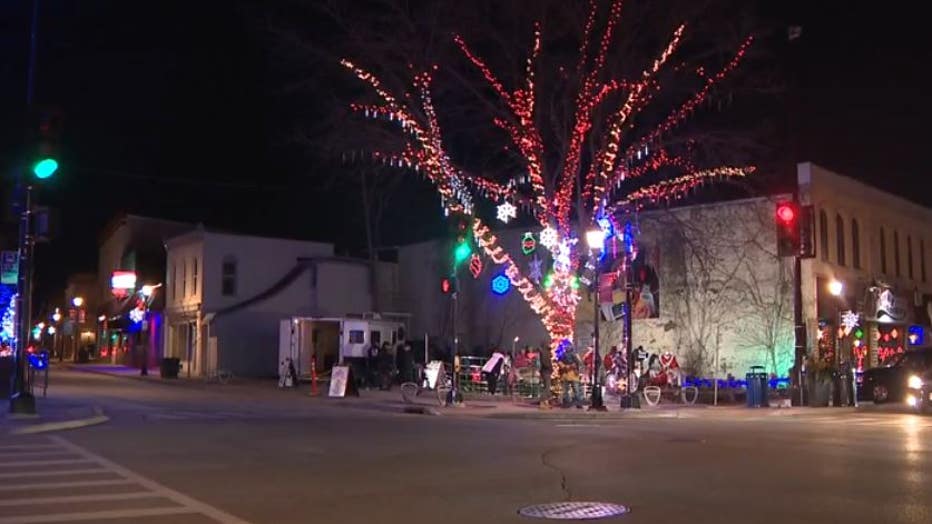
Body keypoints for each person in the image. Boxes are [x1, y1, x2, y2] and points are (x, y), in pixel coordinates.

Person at [539, 345, 553, 409]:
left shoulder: (545, 354)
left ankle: (546, 402)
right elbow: (545, 363)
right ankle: (542, 402)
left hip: (545, 372)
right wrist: (550, 368)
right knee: (547, 387)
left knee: (546, 387)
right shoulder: (545, 354)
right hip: (546, 372)